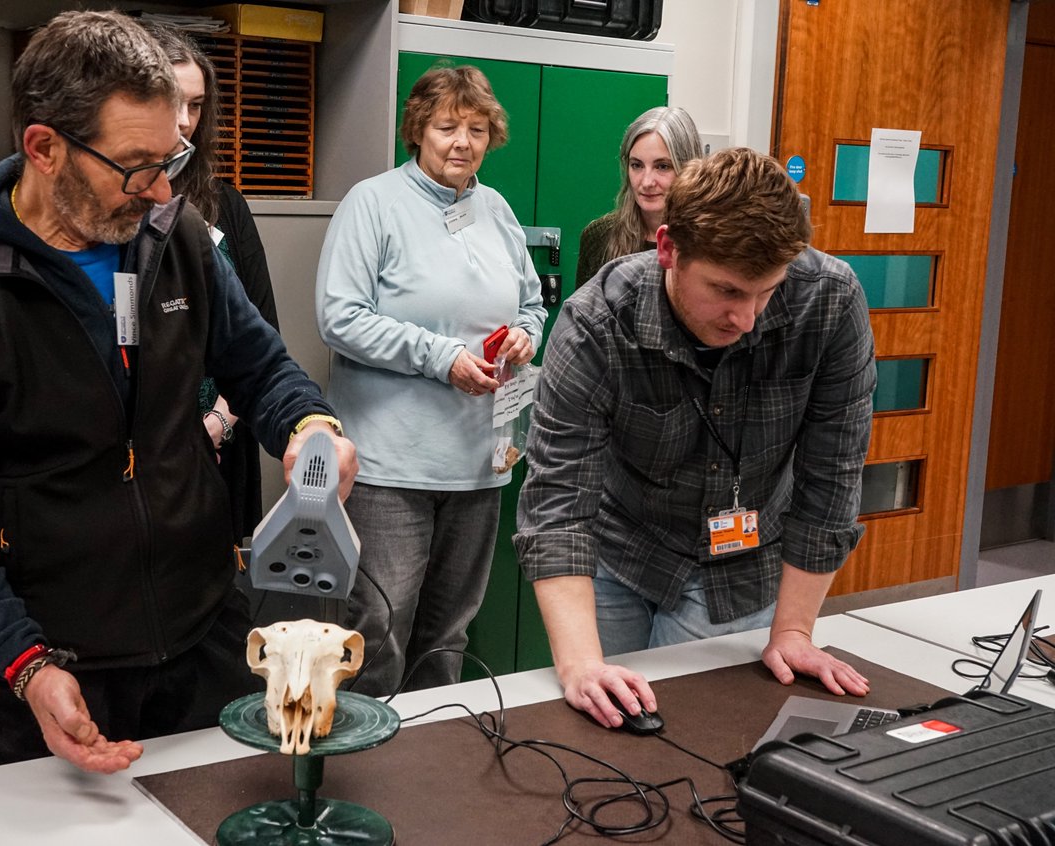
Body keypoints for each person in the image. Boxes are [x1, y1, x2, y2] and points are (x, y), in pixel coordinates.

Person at [0, 10, 357, 775]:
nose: (163, 188)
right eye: (137, 166)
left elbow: (262, 367)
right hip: (54, 668)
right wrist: (26, 665)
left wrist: (309, 426)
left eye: (171, 158)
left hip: (204, 639)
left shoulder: (178, 239)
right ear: (44, 148)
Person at [515, 148, 876, 730]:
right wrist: (581, 664)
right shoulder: (596, 322)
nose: (748, 318)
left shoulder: (830, 301)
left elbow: (833, 473)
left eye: (767, 291)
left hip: (742, 566)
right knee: (606, 719)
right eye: (727, 291)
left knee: (706, 730)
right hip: (621, 553)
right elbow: (557, 503)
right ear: (668, 249)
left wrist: (793, 631)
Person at [316, 65, 547, 696]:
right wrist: (439, 356)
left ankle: (435, 751)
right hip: (390, 471)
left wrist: (526, 335)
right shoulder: (373, 203)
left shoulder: (496, 209)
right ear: (418, 129)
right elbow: (339, 317)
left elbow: (532, 304)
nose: (462, 142)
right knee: (378, 631)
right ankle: (372, 750)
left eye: (477, 129)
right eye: (447, 127)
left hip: (478, 466)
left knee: (449, 637)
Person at [144, 22, 280, 543]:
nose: (184, 122)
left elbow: (260, 335)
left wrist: (219, 423)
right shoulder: (116, 210)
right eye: (172, 102)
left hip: (223, 439)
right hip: (145, 454)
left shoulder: (226, 204)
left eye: (196, 106)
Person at [575, 106, 703, 289]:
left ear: (689, 169)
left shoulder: (710, 241)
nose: (647, 181)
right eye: (637, 165)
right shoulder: (600, 237)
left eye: (662, 166)